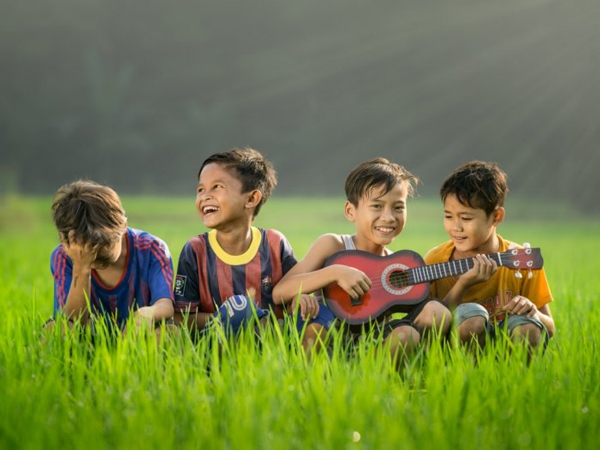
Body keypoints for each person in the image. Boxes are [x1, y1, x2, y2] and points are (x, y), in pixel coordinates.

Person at [272, 158, 451, 367]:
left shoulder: (397, 265)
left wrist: (466, 279)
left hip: (373, 348)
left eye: (398, 207)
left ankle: (379, 381)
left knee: (412, 330)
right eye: (377, 206)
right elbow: (280, 292)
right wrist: (335, 272)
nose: (389, 217)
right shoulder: (334, 245)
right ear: (351, 211)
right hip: (328, 342)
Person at [174, 147, 333, 347]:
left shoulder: (275, 243)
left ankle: (302, 371)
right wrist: (243, 317)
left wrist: (299, 299)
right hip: (217, 345)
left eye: (216, 187)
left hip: (273, 342)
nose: (205, 196)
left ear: (251, 199)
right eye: (200, 189)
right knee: (241, 307)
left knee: (322, 312)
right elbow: (181, 317)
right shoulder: (195, 249)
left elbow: (292, 290)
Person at [424, 161, 555, 353]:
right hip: (454, 353)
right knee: (472, 321)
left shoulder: (520, 261)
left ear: (497, 217)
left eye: (466, 218)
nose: (455, 227)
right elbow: (428, 329)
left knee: (528, 327)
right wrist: (463, 284)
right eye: (448, 216)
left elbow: (550, 328)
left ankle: (515, 381)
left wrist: (533, 312)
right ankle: (470, 379)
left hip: (505, 347)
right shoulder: (435, 259)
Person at [47, 180, 175, 335]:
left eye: (100, 245)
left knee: (169, 332)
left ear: (123, 226)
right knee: (55, 331)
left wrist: (147, 313)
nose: (91, 254)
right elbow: (72, 321)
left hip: (139, 336)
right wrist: (81, 267)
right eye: (84, 247)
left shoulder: (152, 249)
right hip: (89, 338)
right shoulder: (63, 256)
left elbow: (166, 304)